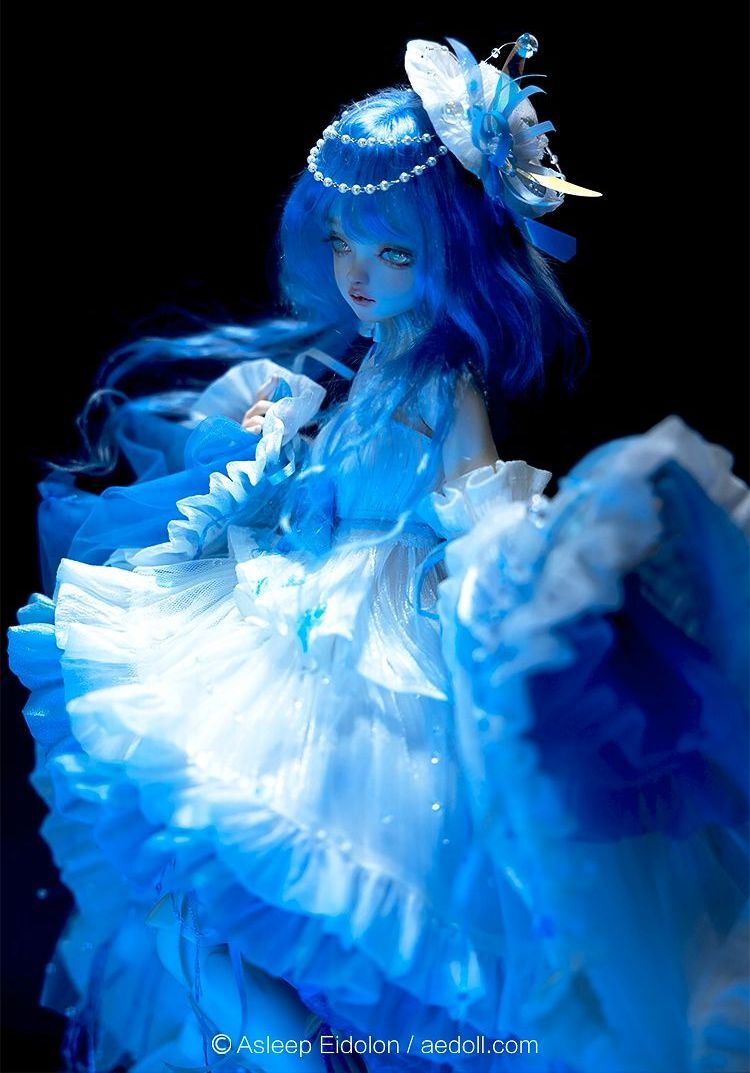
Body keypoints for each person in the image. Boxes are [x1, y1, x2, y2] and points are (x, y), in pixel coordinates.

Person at [7, 33, 748, 1073]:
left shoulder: (446, 382)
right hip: (309, 605)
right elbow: (344, 486)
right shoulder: (375, 363)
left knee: (341, 873)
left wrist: (501, 563)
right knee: (225, 851)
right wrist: (282, 454)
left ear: (453, 257)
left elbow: (470, 495)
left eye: (393, 254)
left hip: (380, 644)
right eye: (344, 243)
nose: (357, 274)